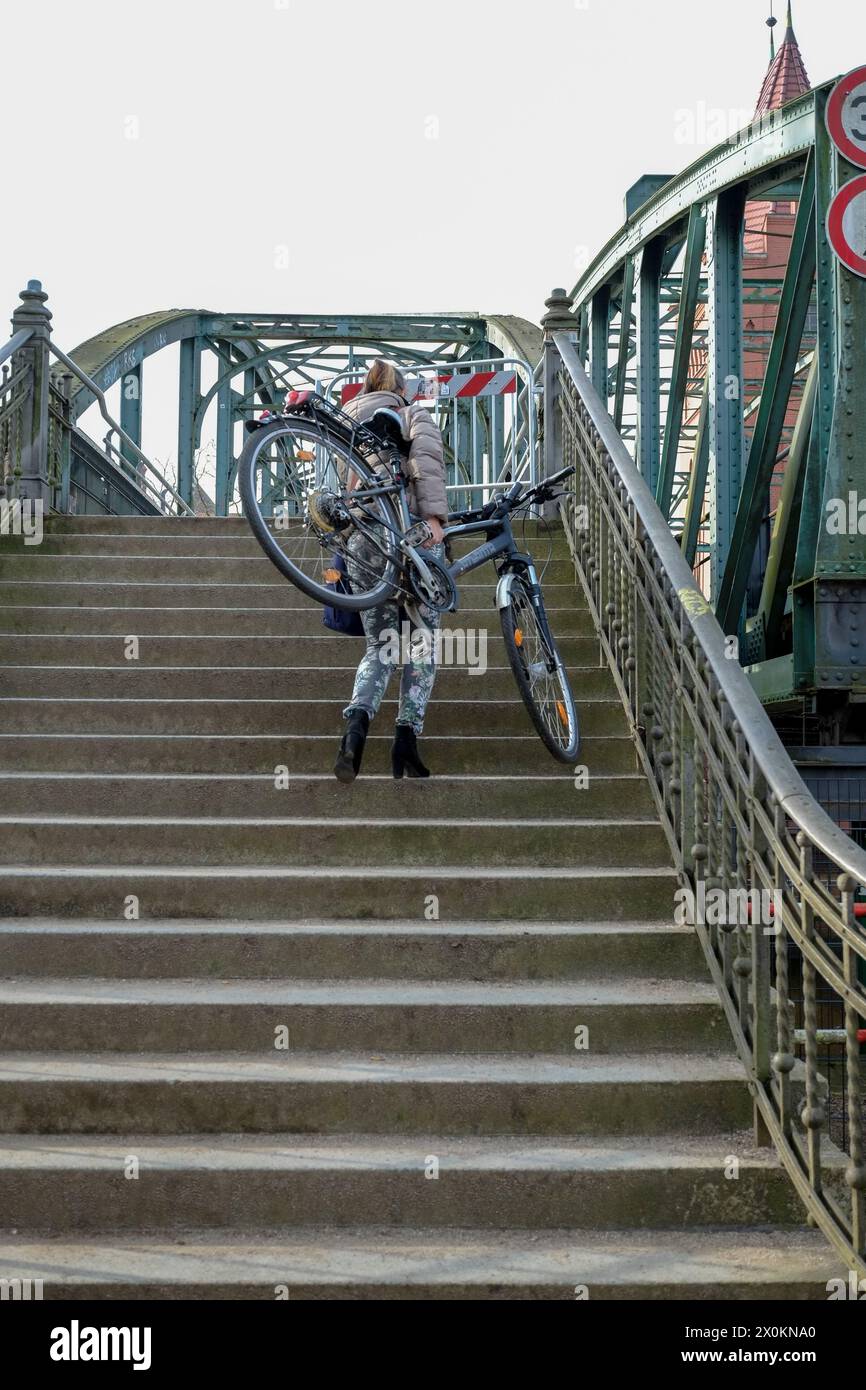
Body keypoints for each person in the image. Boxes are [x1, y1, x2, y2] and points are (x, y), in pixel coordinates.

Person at [334, 360, 448, 783]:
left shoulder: (350, 421)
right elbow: (427, 463)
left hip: (365, 541)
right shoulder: (411, 412)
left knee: (378, 649)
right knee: (421, 647)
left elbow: (348, 490)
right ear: (401, 388)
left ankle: (354, 734)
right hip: (411, 537)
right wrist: (435, 519)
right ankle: (406, 741)